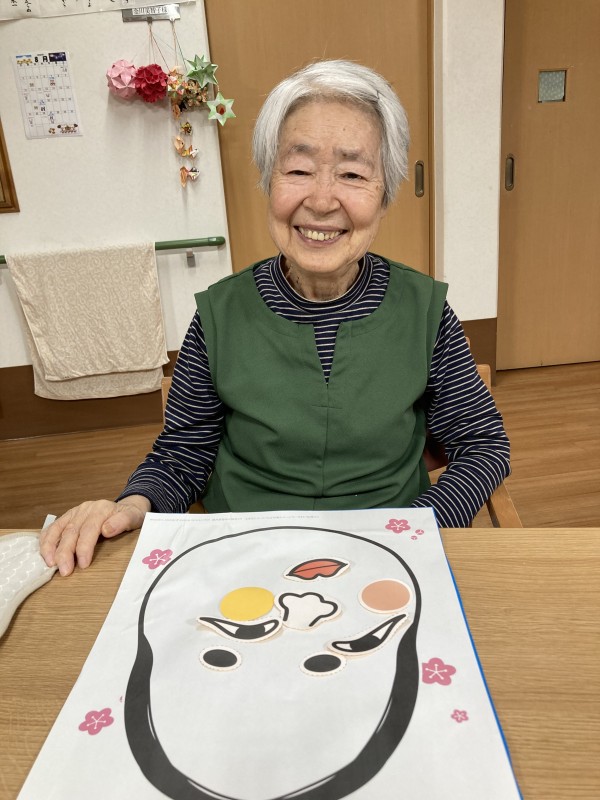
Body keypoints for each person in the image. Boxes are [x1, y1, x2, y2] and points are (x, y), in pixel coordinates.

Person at [41, 59, 510, 577]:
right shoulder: (220, 316)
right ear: (269, 181)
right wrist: (131, 505)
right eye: (299, 170)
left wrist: (417, 530)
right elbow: (183, 455)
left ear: (385, 195)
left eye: (353, 174)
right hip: (244, 555)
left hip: (390, 558)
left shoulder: (425, 311)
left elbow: (483, 446)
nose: (322, 200)